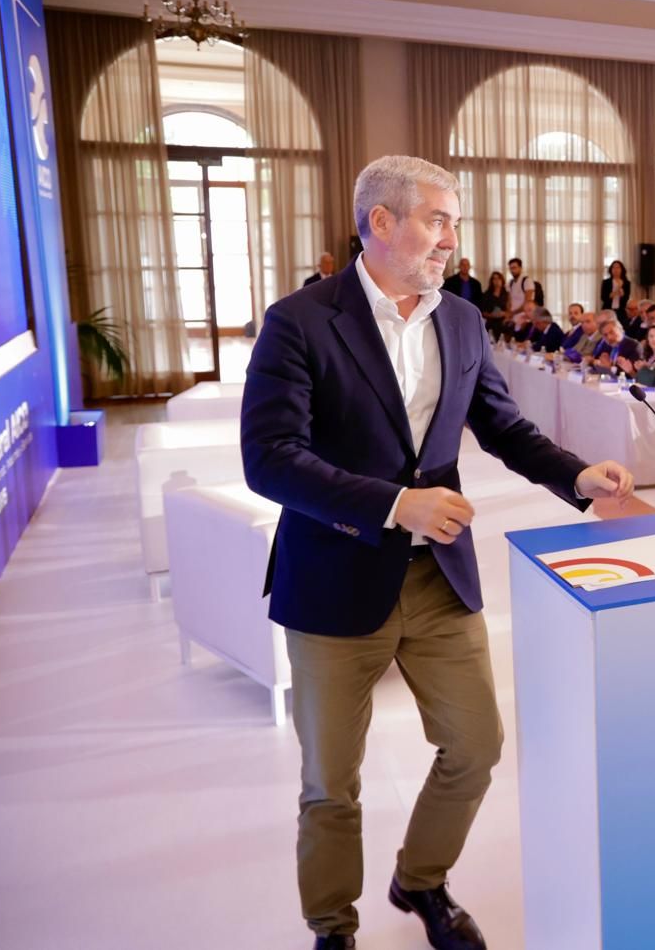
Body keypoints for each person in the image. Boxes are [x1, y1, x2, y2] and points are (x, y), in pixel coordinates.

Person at [241, 156, 634, 950]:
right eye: (439, 220)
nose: (452, 239)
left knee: (477, 744)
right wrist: (391, 504)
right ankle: (333, 926)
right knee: (331, 786)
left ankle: (420, 882)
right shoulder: (301, 321)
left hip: (439, 577)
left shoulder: (458, 319)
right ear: (382, 223)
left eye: (454, 222)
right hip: (334, 579)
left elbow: (501, 424)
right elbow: (270, 457)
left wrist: (577, 474)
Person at [479, 272, 508, 337]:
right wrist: (491, 315)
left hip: (503, 322)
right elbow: (482, 311)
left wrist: (504, 314)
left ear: (502, 280)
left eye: (498, 278)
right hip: (491, 322)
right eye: (494, 279)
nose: (497, 281)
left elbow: (510, 310)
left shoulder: (506, 294)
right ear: (492, 281)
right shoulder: (486, 295)